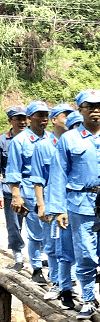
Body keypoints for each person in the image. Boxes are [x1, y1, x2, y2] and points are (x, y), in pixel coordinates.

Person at [50, 89, 100, 320]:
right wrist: (58, 209)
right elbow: (58, 174)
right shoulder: (69, 139)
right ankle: (87, 299)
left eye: (99, 106)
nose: (95, 110)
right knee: (85, 254)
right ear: (81, 110)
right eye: (89, 106)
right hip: (79, 203)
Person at [30, 103, 74, 300]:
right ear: (54, 120)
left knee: (74, 242)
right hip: (52, 198)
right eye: (65, 115)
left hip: (74, 198)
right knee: (52, 243)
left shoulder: (76, 142)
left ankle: (71, 282)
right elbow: (38, 178)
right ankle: (56, 282)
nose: (69, 119)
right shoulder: (42, 146)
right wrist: (41, 204)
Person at [7, 101, 51, 286]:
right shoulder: (20, 141)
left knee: (52, 232)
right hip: (30, 189)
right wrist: (16, 195)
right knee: (35, 232)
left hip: (51, 190)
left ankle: (54, 270)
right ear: (29, 118)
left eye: (46, 115)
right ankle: (37, 268)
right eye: (39, 115)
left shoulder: (51, 138)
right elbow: (14, 170)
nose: (44, 119)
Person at [1, 106, 27, 271]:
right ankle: (18, 256)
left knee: (37, 225)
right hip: (11, 189)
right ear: (11, 121)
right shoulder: (3, 141)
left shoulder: (35, 138)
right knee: (14, 225)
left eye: (24, 118)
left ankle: (39, 257)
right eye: (18, 119)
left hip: (33, 188)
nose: (23, 122)